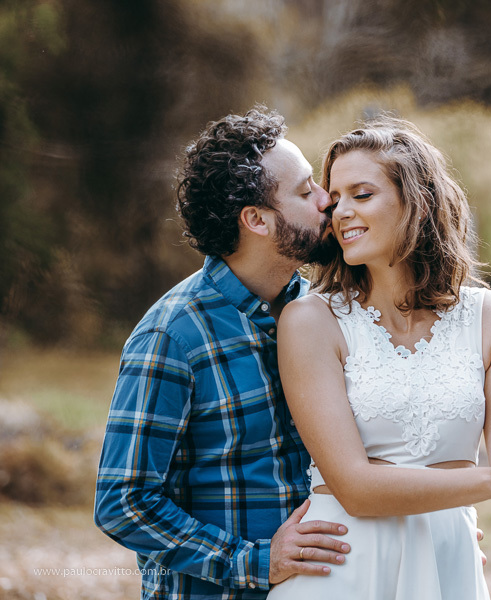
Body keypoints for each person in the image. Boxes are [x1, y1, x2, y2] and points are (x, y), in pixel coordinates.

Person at [268, 117, 491, 599]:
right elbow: (355, 488)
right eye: (336, 200)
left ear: (416, 200)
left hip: (448, 566)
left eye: (362, 194)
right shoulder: (310, 321)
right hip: (343, 568)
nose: (341, 213)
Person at [94, 107, 354, 599]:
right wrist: (254, 561)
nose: (327, 200)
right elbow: (122, 502)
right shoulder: (173, 336)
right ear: (256, 219)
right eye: (304, 191)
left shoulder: (324, 314)